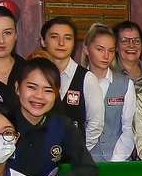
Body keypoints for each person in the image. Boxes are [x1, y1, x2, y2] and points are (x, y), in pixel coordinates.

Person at [40, 16, 102, 150]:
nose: (61, 43)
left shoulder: (87, 78)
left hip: (73, 160)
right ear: (43, 41)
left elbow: (95, 124)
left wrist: (79, 152)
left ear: (74, 43)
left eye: (67, 38)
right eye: (54, 37)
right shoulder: (32, 77)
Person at [83, 23, 136, 162]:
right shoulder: (77, 83)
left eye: (111, 51)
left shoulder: (125, 84)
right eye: (100, 49)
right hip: (85, 161)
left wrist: (115, 161)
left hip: (119, 161)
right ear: (86, 49)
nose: (106, 56)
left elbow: (129, 129)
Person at [113, 20, 142, 90]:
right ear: (116, 46)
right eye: (125, 41)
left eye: (136, 40)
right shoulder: (109, 75)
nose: (132, 45)